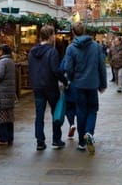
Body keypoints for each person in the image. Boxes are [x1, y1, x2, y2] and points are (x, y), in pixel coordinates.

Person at [62, 21, 107, 154]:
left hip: (78, 84)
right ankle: (89, 133)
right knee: (92, 110)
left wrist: (71, 79)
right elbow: (101, 66)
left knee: (81, 111)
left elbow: (68, 68)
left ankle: (82, 142)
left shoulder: (70, 48)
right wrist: (102, 84)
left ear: (73, 32)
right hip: (92, 84)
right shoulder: (95, 47)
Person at [28, 25, 68, 150]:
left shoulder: (32, 52)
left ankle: (40, 141)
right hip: (50, 87)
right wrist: (64, 80)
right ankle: (56, 139)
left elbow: (31, 69)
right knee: (55, 113)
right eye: (53, 34)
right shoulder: (52, 51)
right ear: (50, 36)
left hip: (37, 87)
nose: (54, 37)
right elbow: (55, 70)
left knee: (39, 115)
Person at [0, 44, 17, 146]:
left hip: (2, 94)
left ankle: (3, 139)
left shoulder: (2, 61)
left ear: (2, 51)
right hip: (9, 94)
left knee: (0, 118)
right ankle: (10, 138)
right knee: (9, 117)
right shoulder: (10, 61)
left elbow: (0, 76)